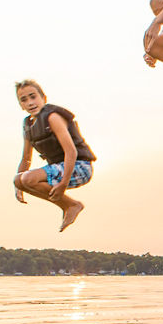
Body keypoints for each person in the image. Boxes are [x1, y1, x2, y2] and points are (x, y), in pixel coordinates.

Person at [13, 80, 96, 232]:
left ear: (43, 98)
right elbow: (26, 158)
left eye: (33, 97)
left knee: (27, 179)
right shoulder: (27, 126)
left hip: (79, 166)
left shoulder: (53, 117)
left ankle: (72, 205)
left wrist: (63, 183)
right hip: (59, 167)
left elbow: (71, 151)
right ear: (20, 105)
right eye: (24, 100)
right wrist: (19, 187)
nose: (30, 103)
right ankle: (68, 205)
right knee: (19, 179)